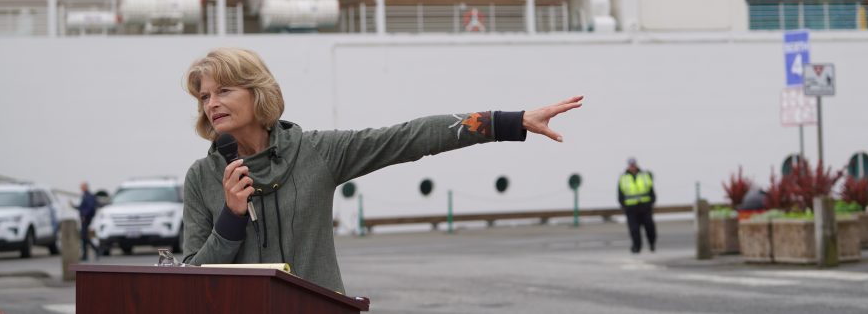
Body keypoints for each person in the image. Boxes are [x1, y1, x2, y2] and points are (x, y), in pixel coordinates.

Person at [180, 47, 583, 293]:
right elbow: (193, 277)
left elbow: (408, 138)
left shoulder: (316, 152)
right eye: (205, 96)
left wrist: (506, 121)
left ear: (258, 92)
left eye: (224, 90)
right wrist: (231, 219)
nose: (212, 103)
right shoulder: (201, 178)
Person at [618, 157, 656, 253]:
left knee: (649, 227)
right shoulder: (623, 177)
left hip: (645, 207)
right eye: (631, 165)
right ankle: (636, 247)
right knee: (634, 229)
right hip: (631, 208)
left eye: (633, 165)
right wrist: (624, 206)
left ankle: (652, 243)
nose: (632, 167)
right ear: (628, 166)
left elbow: (651, 191)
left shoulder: (645, 175)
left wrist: (650, 203)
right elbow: (620, 194)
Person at [74, 182, 97, 260]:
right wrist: (74, 206)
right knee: (84, 237)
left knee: (84, 237)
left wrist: (84, 215)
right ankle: (85, 255)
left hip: (86, 219)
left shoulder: (89, 196)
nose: (81, 188)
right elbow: (82, 207)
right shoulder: (85, 195)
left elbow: (89, 207)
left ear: (85, 187)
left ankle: (95, 249)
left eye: (82, 187)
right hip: (84, 218)